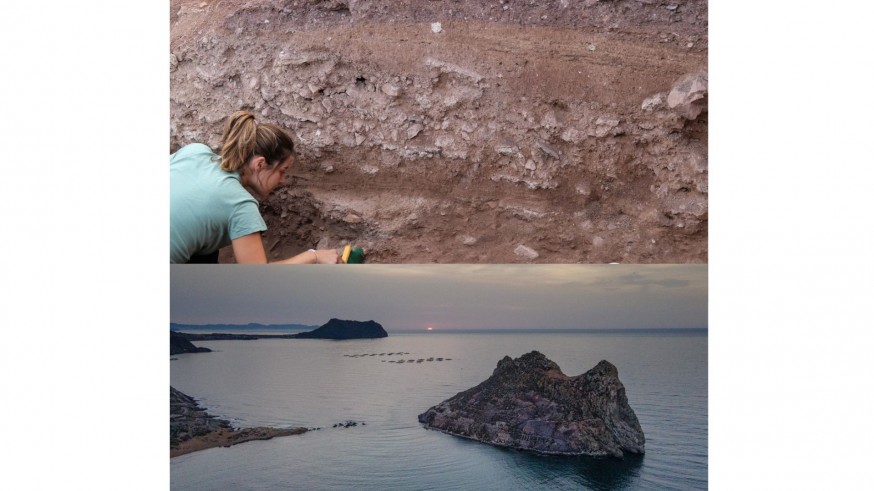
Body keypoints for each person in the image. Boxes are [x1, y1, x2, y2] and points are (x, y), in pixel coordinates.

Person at [170, 111, 342, 264]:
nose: (282, 180)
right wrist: (314, 256)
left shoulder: (194, 151)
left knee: (207, 245)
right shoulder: (240, 205)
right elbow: (258, 278)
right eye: (282, 171)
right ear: (260, 164)